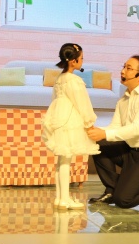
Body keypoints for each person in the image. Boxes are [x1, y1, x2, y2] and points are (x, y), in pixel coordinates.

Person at [87, 55, 139, 208]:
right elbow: (115, 127)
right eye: (124, 67)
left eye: (129, 68)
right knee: (99, 145)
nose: (123, 71)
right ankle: (112, 190)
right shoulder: (124, 100)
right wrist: (96, 131)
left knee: (124, 201)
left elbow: (137, 129)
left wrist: (104, 133)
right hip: (131, 151)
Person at [42, 43, 100, 209]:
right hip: (70, 120)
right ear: (73, 61)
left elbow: (54, 99)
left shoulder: (60, 79)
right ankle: (64, 199)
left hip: (59, 117)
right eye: (81, 58)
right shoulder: (74, 80)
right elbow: (82, 103)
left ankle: (60, 198)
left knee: (62, 160)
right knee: (66, 160)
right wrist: (89, 122)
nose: (82, 61)